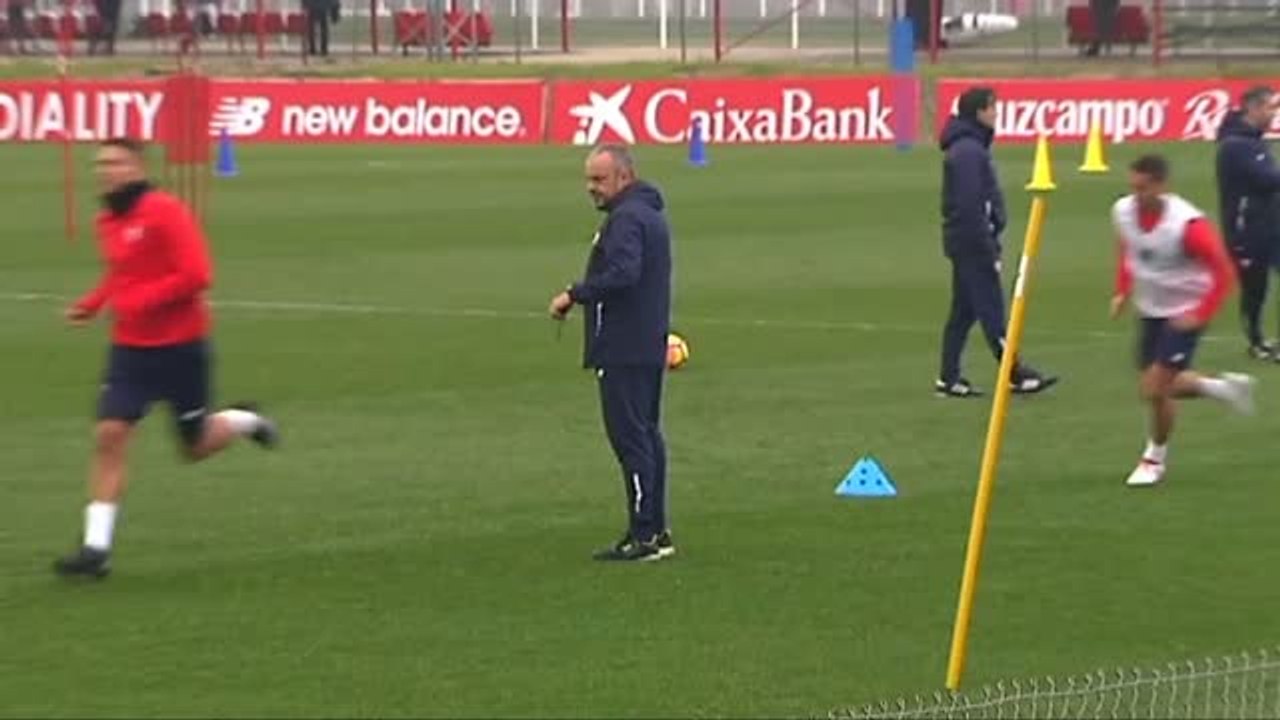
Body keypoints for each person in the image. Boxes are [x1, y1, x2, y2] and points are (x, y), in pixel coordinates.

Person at [54, 138, 280, 579]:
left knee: (194, 447)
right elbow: (121, 274)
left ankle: (243, 420)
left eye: (115, 162)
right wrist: (94, 302)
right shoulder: (107, 219)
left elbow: (198, 274)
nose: (105, 170)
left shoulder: (165, 211)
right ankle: (96, 550)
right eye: (100, 163)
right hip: (130, 350)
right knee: (110, 434)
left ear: (137, 166)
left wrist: (145, 300)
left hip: (181, 347)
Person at [548, 144, 674, 563]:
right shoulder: (649, 214)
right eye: (588, 179)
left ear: (624, 176)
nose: (591, 188)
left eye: (599, 179)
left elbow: (623, 273)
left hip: (623, 345)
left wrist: (575, 294)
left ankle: (643, 535)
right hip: (645, 342)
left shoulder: (627, 219)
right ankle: (655, 529)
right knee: (647, 435)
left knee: (631, 439)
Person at [1110, 154, 1255, 488]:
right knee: (1160, 383)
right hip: (1150, 309)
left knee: (1154, 388)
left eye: (1143, 188)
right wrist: (1122, 288)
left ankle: (1154, 459)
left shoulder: (1188, 225)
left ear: (1161, 185)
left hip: (1184, 312)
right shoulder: (1123, 211)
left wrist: (1199, 315)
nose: (1137, 196)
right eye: (1133, 188)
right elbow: (1127, 246)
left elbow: (1224, 272)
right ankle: (1223, 387)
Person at [936, 86, 1057, 399]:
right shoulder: (969, 152)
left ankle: (948, 377)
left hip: (966, 240)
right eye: (992, 108)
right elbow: (971, 203)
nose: (996, 114)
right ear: (979, 112)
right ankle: (1013, 372)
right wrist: (987, 245)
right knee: (990, 307)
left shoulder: (969, 148)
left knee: (963, 311)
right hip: (973, 243)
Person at [1215, 85, 1280, 361]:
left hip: (1269, 225)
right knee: (1255, 288)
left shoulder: (1253, 141)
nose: (1273, 113)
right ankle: (1256, 341)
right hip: (1246, 230)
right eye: (1269, 108)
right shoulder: (1236, 146)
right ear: (1252, 109)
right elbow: (1266, 180)